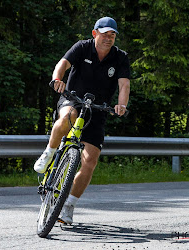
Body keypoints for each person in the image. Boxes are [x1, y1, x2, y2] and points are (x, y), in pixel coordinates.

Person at [34, 17, 130, 224]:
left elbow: (124, 85)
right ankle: (49, 153)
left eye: (112, 35)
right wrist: (57, 79)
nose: (108, 38)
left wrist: (121, 105)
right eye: (105, 34)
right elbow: (63, 63)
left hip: (98, 109)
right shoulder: (82, 47)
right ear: (95, 33)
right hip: (73, 99)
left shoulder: (120, 57)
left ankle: (68, 206)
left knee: (90, 162)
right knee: (69, 117)